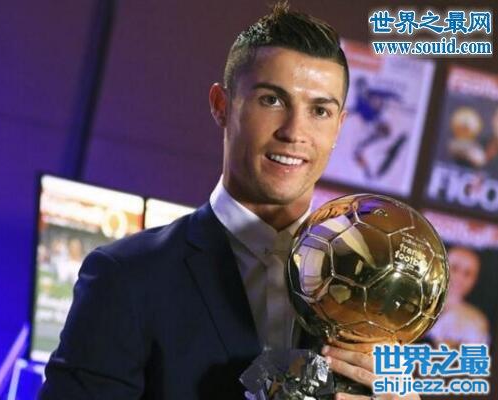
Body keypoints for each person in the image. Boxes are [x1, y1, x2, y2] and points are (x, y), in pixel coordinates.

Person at [40, 3, 416, 399]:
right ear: (222, 105)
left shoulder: (374, 289)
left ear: (339, 127)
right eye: (272, 100)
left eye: (319, 110)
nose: (294, 132)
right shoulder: (127, 277)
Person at [426, 246, 490, 348]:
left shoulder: (476, 321)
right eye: (455, 268)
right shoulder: (414, 302)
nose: (459, 278)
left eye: (467, 274)